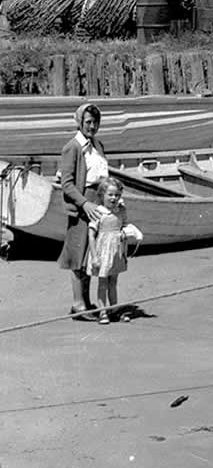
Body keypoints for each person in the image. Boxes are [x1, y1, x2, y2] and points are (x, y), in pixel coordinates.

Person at [53, 102, 108, 319]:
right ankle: (78, 305)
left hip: (98, 204)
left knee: (91, 256)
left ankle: (85, 301)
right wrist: (85, 203)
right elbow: (66, 184)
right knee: (78, 254)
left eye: (95, 123)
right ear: (79, 122)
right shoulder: (72, 147)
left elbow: (103, 176)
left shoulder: (98, 145)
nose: (92, 127)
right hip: (82, 206)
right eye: (88, 122)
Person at [87, 178, 133, 323]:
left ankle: (114, 309)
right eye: (110, 195)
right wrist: (94, 257)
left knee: (113, 281)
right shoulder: (99, 212)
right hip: (102, 252)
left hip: (116, 251)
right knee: (102, 282)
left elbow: (124, 226)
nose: (114, 198)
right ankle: (102, 311)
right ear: (102, 195)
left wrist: (129, 234)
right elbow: (91, 235)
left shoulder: (120, 211)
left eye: (117, 195)